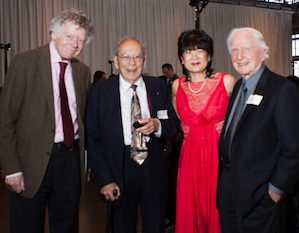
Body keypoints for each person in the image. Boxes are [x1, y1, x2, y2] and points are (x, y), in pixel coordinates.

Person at [0, 8, 94, 233]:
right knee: (27, 225)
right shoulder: (25, 62)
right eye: (69, 36)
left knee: (67, 225)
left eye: (81, 39)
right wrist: (11, 168)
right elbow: (5, 120)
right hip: (30, 163)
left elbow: (82, 120)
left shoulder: (82, 71)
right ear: (53, 33)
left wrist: (85, 161)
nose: (75, 44)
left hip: (70, 162)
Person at [86, 35, 180, 233]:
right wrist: (104, 179)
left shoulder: (159, 87)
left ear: (144, 60)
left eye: (137, 57)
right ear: (116, 60)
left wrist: (157, 125)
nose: (131, 63)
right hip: (118, 169)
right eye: (126, 57)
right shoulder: (99, 91)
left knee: (155, 226)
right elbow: (93, 140)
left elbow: (173, 125)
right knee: (122, 226)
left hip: (153, 166)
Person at [217, 27, 299, 233]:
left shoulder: (281, 89)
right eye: (234, 50)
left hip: (261, 195)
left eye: (246, 49)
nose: (239, 56)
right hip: (228, 189)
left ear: (263, 53)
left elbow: (293, 147)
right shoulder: (238, 87)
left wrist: (276, 189)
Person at [172, 29, 236, 233]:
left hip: (219, 160)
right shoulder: (176, 86)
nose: (194, 56)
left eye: (200, 50)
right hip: (189, 161)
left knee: (219, 212)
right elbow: (181, 126)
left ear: (209, 55)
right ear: (181, 58)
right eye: (188, 52)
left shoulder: (227, 82)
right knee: (191, 214)